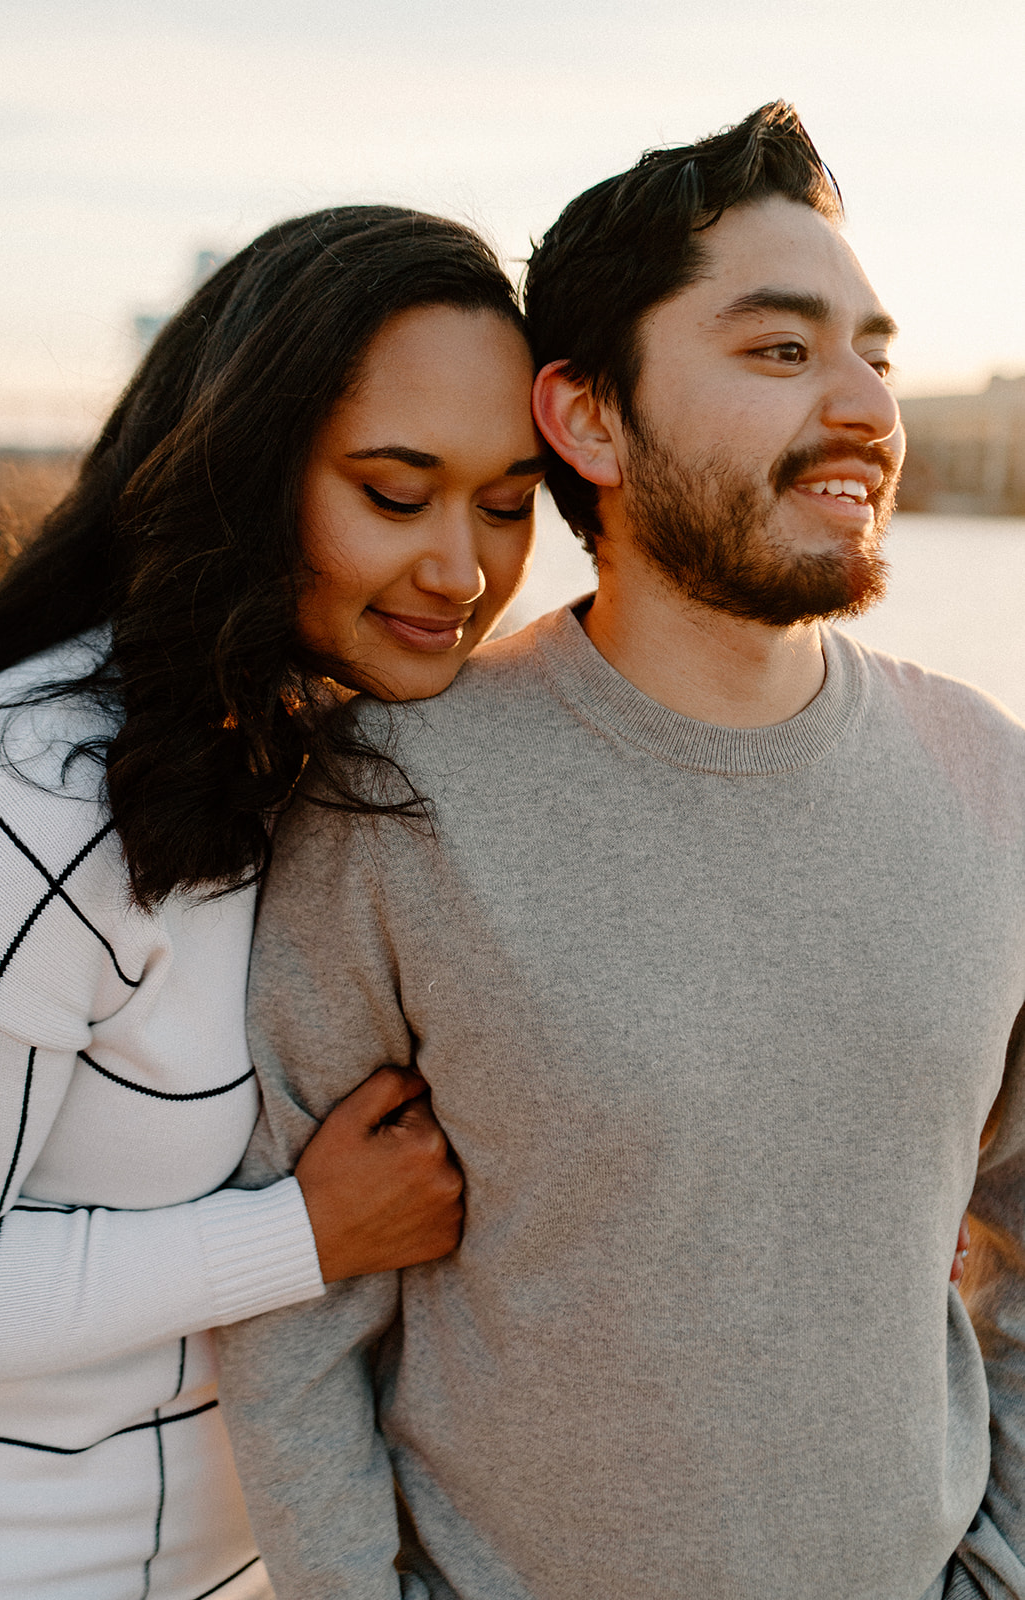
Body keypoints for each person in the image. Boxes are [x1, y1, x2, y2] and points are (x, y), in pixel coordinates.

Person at [217, 104, 1025, 1600]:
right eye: (780, 351)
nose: (861, 405)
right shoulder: (395, 795)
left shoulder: (993, 777)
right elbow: (292, 1312)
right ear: (589, 418)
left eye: (876, 352)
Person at [0, 206, 546, 1599]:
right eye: (395, 495)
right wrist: (304, 1237)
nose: (464, 571)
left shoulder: (336, 756)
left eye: (512, 504)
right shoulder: (31, 798)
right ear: (246, 472)